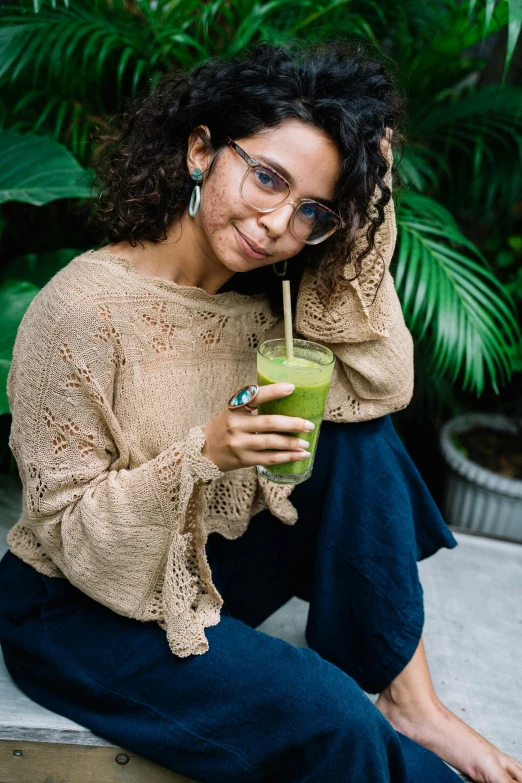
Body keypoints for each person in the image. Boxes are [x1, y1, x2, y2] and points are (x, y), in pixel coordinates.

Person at [0, 40, 520, 783]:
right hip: (72, 608)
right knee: (329, 711)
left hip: (194, 561)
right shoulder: (82, 311)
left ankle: (414, 702)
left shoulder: (264, 313)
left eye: (312, 210)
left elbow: (377, 390)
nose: (280, 221)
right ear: (201, 149)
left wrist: (372, 203)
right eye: (268, 178)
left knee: (359, 435)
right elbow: (73, 537)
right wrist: (205, 453)